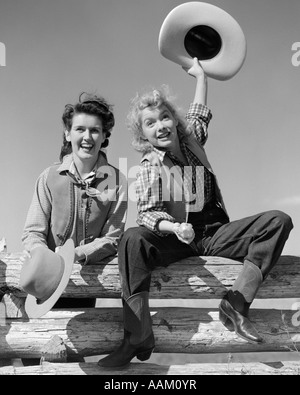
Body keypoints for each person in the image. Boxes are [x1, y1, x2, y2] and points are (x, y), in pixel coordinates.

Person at [98, 58, 293, 368]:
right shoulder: (150, 166)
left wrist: (201, 76)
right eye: (151, 123)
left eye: (164, 117)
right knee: (133, 239)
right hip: (180, 238)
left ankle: (236, 304)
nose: (160, 125)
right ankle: (137, 335)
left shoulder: (192, 141)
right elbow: (147, 214)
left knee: (278, 221)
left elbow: (198, 111)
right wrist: (174, 227)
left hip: (215, 233)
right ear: (144, 135)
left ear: (174, 121)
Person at [22, 93, 128, 309]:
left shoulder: (118, 182)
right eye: (80, 129)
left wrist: (77, 254)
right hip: (45, 282)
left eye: (95, 130)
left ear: (104, 136)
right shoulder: (48, 177)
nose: (87, 137)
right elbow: (32, 232)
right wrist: (46, 259)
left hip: (88, 282)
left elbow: (113, 238)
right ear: (68, 134)